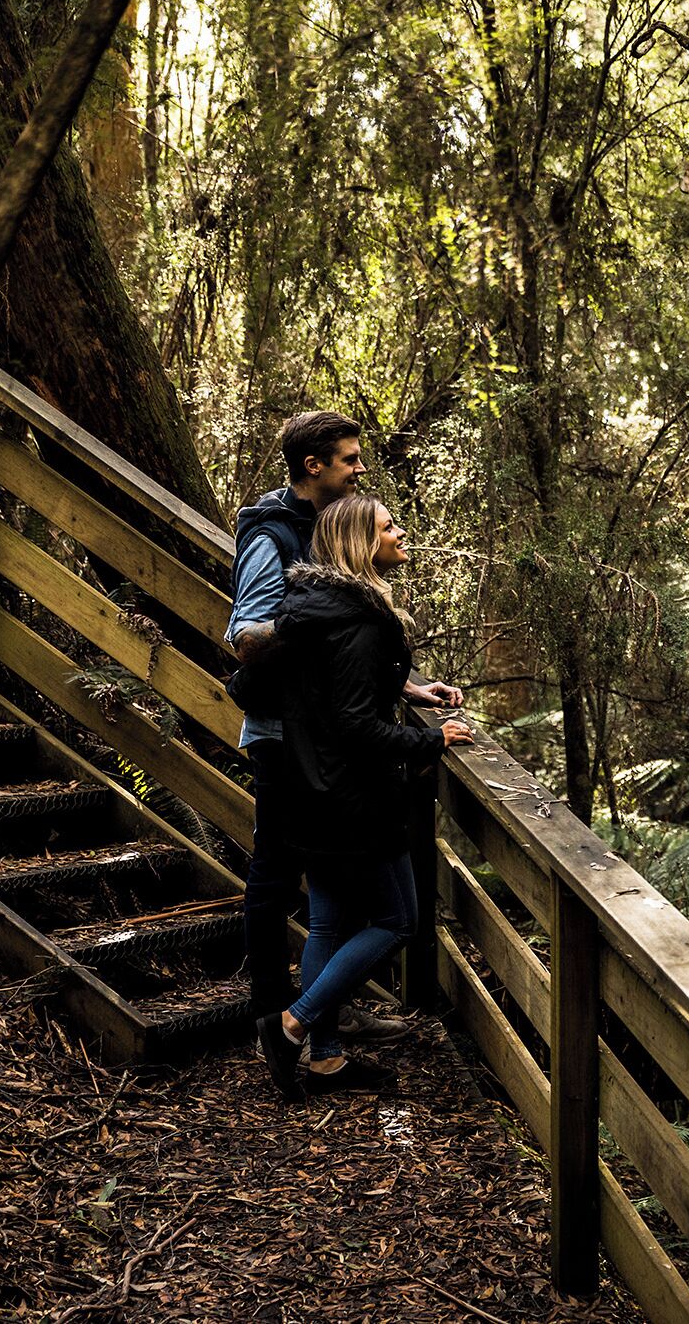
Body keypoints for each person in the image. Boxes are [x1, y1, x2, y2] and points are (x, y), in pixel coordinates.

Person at [229, 412, 461, 1037]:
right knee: (275, 876)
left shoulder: (322, 529)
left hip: (321, 734)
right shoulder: (272, 536)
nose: (360, 469)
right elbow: (245, 638)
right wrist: (315, 623)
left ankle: (318, 1026)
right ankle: (275, 1013)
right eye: (351, 459)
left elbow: (343, 665)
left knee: (327, 905)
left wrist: (404, 686)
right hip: (286, 737)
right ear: (315, 466)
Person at [253, 496, 474, 1099]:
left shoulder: (312, 608)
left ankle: (325, 1059)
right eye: (388, 527)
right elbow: (356, 723)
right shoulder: (362, 620)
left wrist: (414, 688)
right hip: (352, 797)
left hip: (310, 788)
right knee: (398, 920)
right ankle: (292, 1025)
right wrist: (427, 740)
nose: (401, 533)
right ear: (361, 544)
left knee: (328, 920)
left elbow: (339, 686)